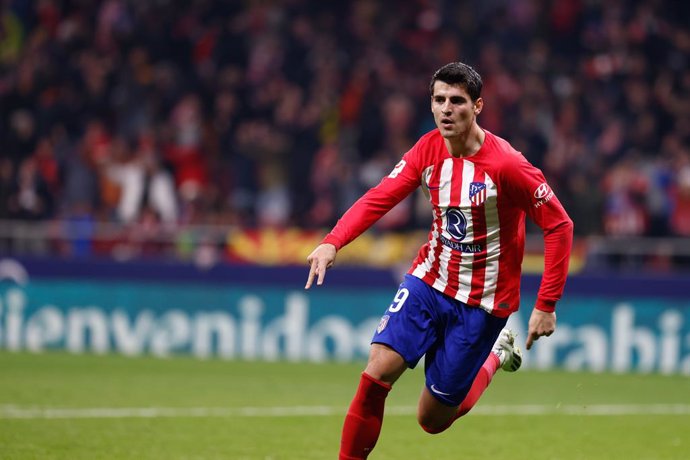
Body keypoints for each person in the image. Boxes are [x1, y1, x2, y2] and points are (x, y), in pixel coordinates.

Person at [304, 62, 573, 459]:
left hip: (482, 303)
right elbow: (381, 196)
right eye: (439, 100)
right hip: (429, 280)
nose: (447, 109)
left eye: (457, 101)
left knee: (432, 419)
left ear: (477, 106)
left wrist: (546, 305)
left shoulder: (508, 165)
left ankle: (497, 353)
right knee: (377, 369)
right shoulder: (427, 149)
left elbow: (560, 225)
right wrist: (333, 242)